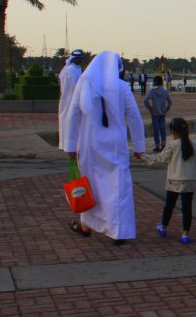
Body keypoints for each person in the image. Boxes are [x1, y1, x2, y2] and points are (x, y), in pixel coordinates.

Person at [64, 51, 145, 246]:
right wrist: (139, 146)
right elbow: (134, 116)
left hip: (89, 144)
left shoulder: (84, 84)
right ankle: (119, 232)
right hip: (115, 144)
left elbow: (73, 114)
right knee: (119, 187)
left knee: (91, 185)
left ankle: (86, 226)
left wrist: (70, 144)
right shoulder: (121, 87)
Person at [141, 118, 196, 244]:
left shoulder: (172, 145)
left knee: (169, 205)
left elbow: (160, 158)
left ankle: (164, 227)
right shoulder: (195, 145)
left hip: (175, 180)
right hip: (190, 180)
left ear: (173, 131)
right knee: (187, 208)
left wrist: (143, 156)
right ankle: (185, 234)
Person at [57, 49, 85, 151]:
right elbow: (74, 87)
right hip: (70, 100)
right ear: (73, 59)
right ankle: (69, 145)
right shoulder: (71, 69)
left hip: (73, 99)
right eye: (78, 58)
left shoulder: (77, 68)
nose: (79, 60)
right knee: (69, 122)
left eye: (81, 58)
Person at [144, 75, 173, 152]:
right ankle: (163, 145)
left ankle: (157, 145)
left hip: (155, 113)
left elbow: (145, 100)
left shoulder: (152, 91)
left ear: (155, 82)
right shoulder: (164, 91)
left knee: (156, 130)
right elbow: (170, 102)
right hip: (162, 113)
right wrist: (166, 109)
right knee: (163, 129)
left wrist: (150, 108)